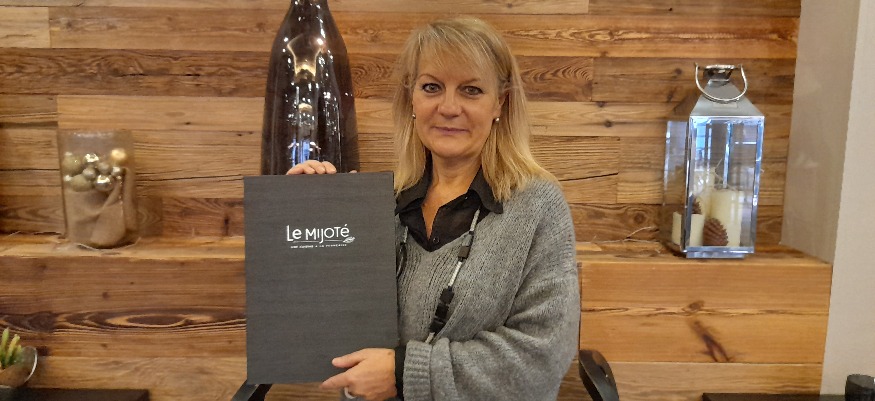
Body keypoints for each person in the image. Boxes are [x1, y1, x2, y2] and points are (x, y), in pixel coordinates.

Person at [287, 17, 579, 401]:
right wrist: (309, 218)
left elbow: (540, 361)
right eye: (431, 87)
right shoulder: (376, 206)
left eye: (471, 90)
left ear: (500, 102)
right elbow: (330, 331)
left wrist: (403, 373)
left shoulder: (539, 208)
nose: (449, 107)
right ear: (411, 98)